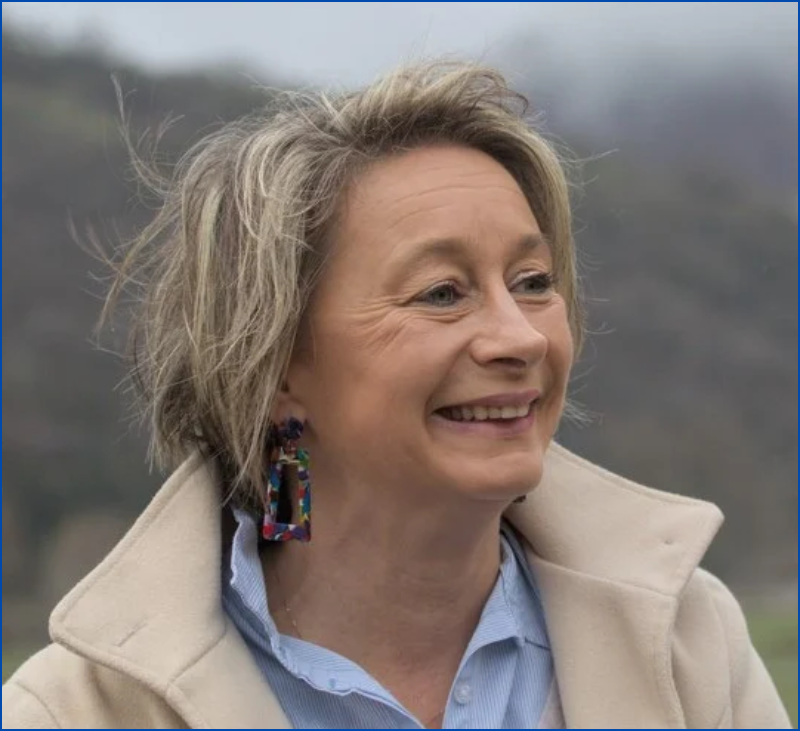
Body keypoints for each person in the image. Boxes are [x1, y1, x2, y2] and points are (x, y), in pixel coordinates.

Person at [2, 60, 791, 730]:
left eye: (533, 281)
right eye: (442, 292)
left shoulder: (686, 641)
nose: (519, 337)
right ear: (275, 364)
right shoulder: (77, 710)